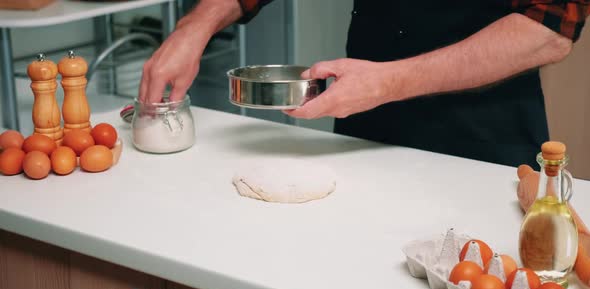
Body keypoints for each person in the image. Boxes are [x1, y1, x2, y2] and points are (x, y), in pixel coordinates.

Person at [139, 0, 590, 167]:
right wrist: (194, 27)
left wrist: (387, 81)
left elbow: (547, 31)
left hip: (483, 147)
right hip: (365, 138)